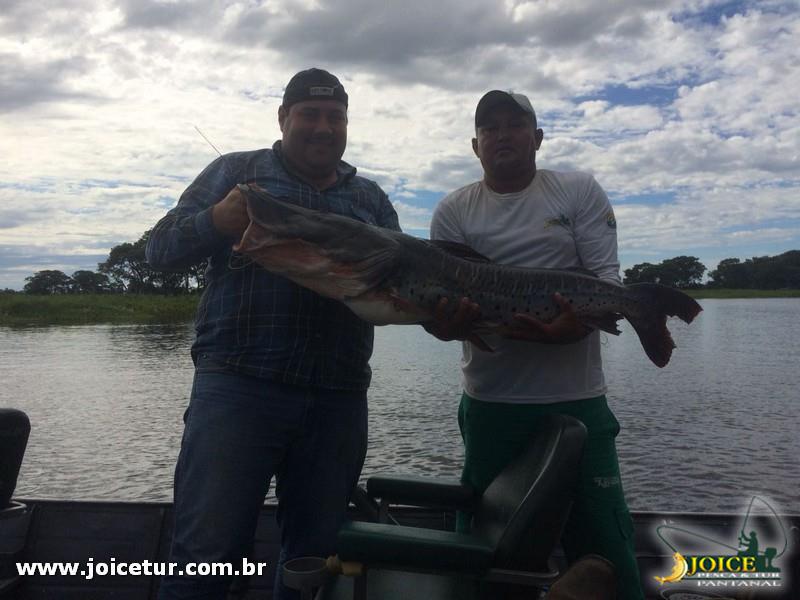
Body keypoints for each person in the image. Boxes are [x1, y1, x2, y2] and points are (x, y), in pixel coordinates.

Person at [146, 68, 400, 600]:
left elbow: (398, 286)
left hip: (337, 397)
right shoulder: (234, 171)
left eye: (335, 117)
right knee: (206, 554)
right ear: (283, 118)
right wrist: (217, 220)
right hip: (238, 389)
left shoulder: (371, 200)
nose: (323, 127)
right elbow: (159, 251)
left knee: (315, 559)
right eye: (309, 114)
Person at [426, 90, 644, 599]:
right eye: (490, 127)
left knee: (608, 549)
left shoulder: (578, 190)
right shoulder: (453, 209)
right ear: (475, 145)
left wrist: (577, 327)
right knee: (485, 554)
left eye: (515, 124)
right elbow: (437, 312)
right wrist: (442, 324)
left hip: (579, 400)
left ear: (538, 137)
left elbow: (606, 280)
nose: (502, 135)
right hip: (491, 406)